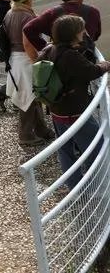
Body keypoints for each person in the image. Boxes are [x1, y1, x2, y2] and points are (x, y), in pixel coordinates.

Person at [37, 15, 110, 189]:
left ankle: (74, 185)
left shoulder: (49, 49)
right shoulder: (70, 55)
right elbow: (91, 71)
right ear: (74, 34)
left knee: (66, 150)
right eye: (81, 30)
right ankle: (99, 188)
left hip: (57, 110)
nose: (83, 33)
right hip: (75, 113)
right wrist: (105, 65)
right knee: (98, 148)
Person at [3, 0, 55, 146]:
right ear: (27, 0)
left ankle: (41, 130)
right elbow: (27, 44)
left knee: (31, 96)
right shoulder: (28, 17)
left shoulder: (10, 13)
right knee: (28, 98)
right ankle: (25, 136)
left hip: (15, 59)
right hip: (26, 59)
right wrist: (37, 62)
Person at [23, 0, 102, 53]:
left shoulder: (52, 13)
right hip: (88, 59)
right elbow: (96, 35)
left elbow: (28, 29)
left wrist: (44, 46)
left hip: (61, 61)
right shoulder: (94, 11)